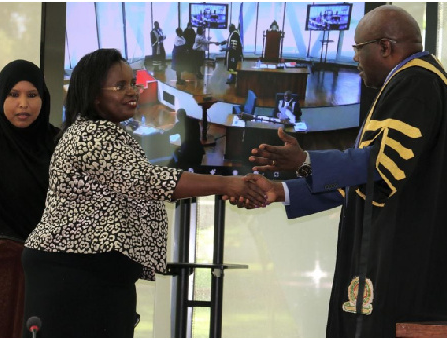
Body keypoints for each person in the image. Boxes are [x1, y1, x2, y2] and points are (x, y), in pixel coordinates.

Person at [234, 5, 447, 337]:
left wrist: (306, 161)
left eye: (358, 49)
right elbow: (368, 180)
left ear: (385, 47)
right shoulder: (406, 83)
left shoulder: (416, 83)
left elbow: (379, 169)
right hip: (402, 256)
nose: (355, 59)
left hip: (410, 264)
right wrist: (282, 191)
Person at [21, 48, 267, 338]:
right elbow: (145, 181)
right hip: (70, 274)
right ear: (94, 95)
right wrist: (227, 183)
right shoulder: (88, 135)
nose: (133, 92)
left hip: (96, 273)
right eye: (120, 86)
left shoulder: (111, 132)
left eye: (133, 83)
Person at [0, 60, 59, 338]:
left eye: (32, 95)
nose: (23, 104)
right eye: (13, 94)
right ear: (1, 95)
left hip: (45, 270)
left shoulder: (59, 144)